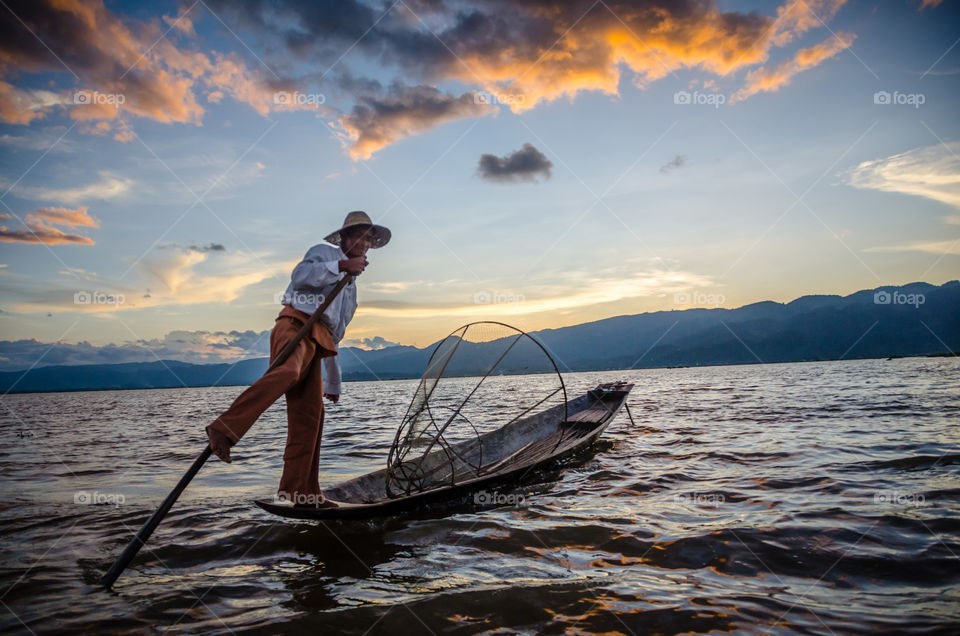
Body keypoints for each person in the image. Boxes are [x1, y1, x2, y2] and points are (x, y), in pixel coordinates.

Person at [205, 211, 391, 508]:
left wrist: (333, 381)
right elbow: (300, 278)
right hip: (295, 326)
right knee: (288, 372)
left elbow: (334, 335)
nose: (366, 243)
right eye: (361, 235)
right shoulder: (324, 254)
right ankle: (224, 428)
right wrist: (342, 265)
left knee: (311, 416)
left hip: (318, 341)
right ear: (345, 237)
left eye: (370, 238)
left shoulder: (351, 292)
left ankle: (302, 493)